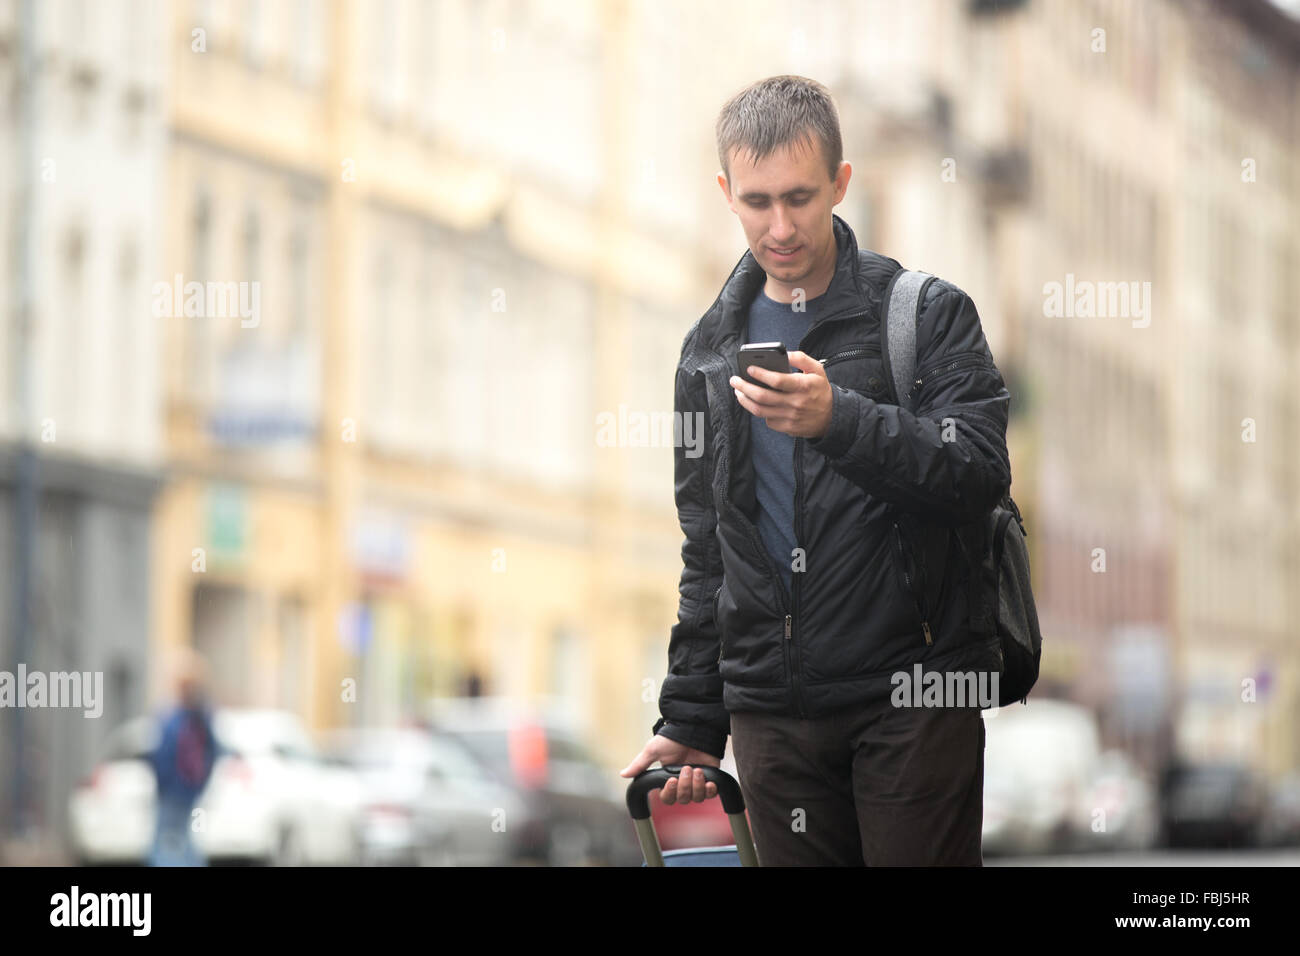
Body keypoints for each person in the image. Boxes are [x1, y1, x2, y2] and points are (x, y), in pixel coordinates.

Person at [621, 75, 1011, 866]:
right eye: (757, 201)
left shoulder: (924, 315)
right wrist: (694, 722)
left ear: (841, 182)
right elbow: (709, 553)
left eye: (800, 197)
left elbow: (978, 469)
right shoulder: (706, 354)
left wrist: (840, 419)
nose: (781, 225)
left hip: (915, 699)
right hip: (775, 718)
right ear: (726, 192)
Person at [148, 648, 220, 866]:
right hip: (192, 792)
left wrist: (161, 786)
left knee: (162, 842)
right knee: (189, 838)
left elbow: (161, 755)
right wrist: (201, 784)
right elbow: (214, 752)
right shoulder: (203, 716)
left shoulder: (172, 716)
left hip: (171, 793)